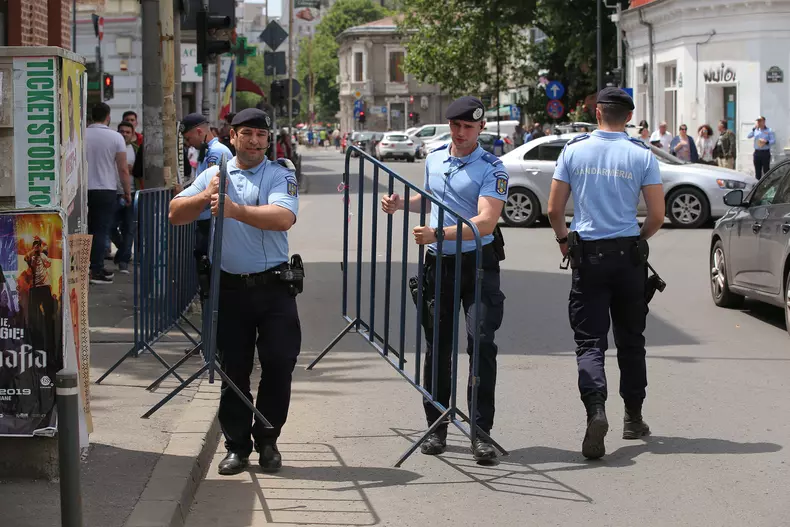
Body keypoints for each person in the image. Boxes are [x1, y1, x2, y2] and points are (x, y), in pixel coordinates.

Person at [169, 108, 301, 476]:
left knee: (279, 362)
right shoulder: (215, 174)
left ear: (269, 140)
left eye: (261, 134)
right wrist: (204, 199)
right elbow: (175, 213)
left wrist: (234, 210)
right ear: (232, 137)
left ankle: (269, 440)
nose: (255, 141)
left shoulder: (280, 173)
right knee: (233, 370)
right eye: (247, 133)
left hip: (274, 286)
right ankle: (237, 446)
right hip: (229, 287)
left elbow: (283, 217)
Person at [381, 96, 508, 463]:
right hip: (439, 266)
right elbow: (432, 199)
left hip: (479, 265)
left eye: (469, 127)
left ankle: (480, 432)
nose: (461, 132)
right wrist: (402, 202)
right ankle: (435, 425)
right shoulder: (435, 158)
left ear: (480, 128)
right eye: (456, 125)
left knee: (481, 343)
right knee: (437, 347)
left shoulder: (493, 168)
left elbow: (485, 221)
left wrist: (439, 234)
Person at [547, 87, 665, 460]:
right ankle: (633, 416)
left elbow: (554, 209)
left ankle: (596, 409)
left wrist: (565, 241)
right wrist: (637, 239)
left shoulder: (574, 150)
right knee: (631, 340)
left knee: (590, 342)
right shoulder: (641, 155)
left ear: (597, 112)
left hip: (589, 258)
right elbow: (658, 216)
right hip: (628, 259)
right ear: (628, 117)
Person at [180, 112, 233, 302]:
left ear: (199, 131)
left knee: (207, 267)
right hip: (204, 218)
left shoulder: (217, 152)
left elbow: (212, 189)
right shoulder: (207, 151)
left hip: (210, 218)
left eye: (188, 138)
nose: (188, 143)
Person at [86, 103, 131, 284]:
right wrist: (127, 192)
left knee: (84, 229)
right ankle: (96, 268)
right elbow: (122, 168)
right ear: (108, 116)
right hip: (106, 189)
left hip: (82, 188)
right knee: (100, 230)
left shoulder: (82, 135)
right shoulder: (116, 138)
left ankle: (82, 267)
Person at [111, 121, 139, 274]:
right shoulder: (112, 147)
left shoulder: (135, 149)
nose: (124, 134)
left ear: (132, 133)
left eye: (127, 132)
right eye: (121, 131)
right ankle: (122, 250)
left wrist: (133, 170)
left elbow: (141, 170)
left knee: (129, 228)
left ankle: (123, 261)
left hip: (133, 193)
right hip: (113, 192)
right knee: (109, 225)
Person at [747, 116, 775, 180]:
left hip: (765, 153)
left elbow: (773, 141)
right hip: (757, 152)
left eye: (760, 121)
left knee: (766, 170)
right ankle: (758, 185)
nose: (759, 123)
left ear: (764, 122)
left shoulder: (769, 130)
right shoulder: (756, 130)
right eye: (758, 121)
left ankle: (767, 184)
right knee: (757, 171)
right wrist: (753, 129)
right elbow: (748, 136)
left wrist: (766, 142)